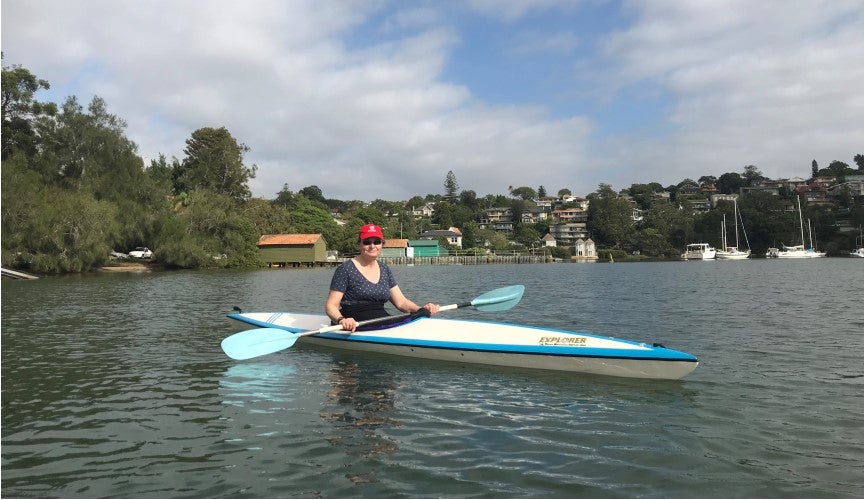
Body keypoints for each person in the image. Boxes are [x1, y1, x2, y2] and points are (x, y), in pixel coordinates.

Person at [326, 223, 440, 332]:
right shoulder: (345, 269)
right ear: (359, 245)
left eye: (377, 242)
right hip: (353, 322)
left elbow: (401, 303)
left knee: (422, 314)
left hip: (379, 318)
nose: (372, 246)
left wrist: (421, 309)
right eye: (366, 242)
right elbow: (331, 306)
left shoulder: (384, 269)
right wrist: (342, 320)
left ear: (382, 244)